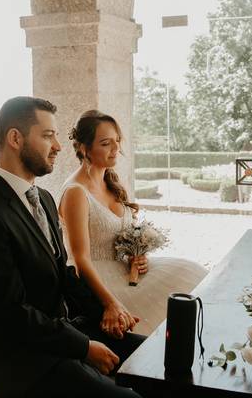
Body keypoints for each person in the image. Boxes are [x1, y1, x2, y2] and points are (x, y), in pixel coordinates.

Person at [0, 97, 144, 398]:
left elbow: (63, 273)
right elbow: (11, 314)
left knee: (155, 357)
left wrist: (106, 311)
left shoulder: (42, 197)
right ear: (15, 138)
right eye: (47, 136)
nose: (57, 145)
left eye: (56, 136)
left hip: (62, 334)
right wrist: (83, 348)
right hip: (23, 361)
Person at [59, 110, 207, 336]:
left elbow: (121, 238)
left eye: (117, 141)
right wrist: (111, 303)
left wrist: (137, 258)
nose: (116, 148)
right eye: (106, 143)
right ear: (83, 148)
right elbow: (80, 261)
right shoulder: (75, 193)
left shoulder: (112, 183)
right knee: (179, 296)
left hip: (126, 272)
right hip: (101, 282)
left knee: (193, 274)